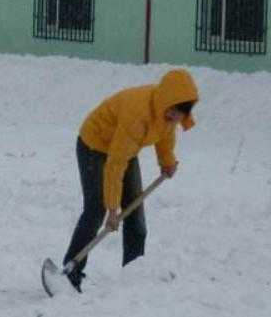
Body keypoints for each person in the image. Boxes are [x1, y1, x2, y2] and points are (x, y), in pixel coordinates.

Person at [63, 69, 199, 292]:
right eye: (175, 111)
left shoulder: (168, 113)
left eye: (183, 113)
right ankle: (70, 272)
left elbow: (165, 137)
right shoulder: (137, 113)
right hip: (94, 145)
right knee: (97, 209)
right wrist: (113, 208)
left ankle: (134, 277)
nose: (177, 118)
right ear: (167, 101)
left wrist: (167, 160)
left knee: (136, 214)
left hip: (125, 150)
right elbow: (115, 164)